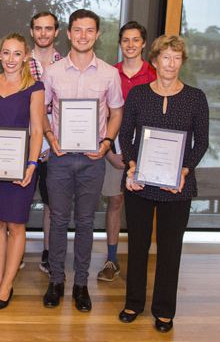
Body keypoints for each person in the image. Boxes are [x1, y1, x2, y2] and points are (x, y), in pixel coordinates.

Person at [118, 35, 208, 333]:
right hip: (140, 183)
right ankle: (133, 303)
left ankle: (165, 310)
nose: (170, 63)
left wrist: (183, 171)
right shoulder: (138, 94)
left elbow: (202, 142)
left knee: (170, 249)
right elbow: (125, 135)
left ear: (182, 62)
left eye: (176, 58)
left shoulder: (196, 98)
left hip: (176, 185)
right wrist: (131, 166)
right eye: (165, 57)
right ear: (154, 61)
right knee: (138, 246)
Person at [42, 9, 124, 312]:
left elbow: (116, 112)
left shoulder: (108, 73)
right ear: (68, 33)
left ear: (98, 34)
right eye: (78, 30)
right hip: (61, 159)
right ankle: (55, 281)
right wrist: (50, 138)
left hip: (93, 160)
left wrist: (105, 143)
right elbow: (41, 110)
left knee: (87, 223)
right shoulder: (53, 72)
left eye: (89, 30)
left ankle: (80, 285)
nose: (83, 36)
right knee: (60, 221)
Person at [0, 33, 44, 310]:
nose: (11, 59)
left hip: (21, 165)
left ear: (26, 56)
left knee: (15, 224)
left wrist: (32, 164)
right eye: (6, 53)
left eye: (17, 53)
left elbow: (37, 130)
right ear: (0, 55)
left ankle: (7, 284)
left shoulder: (34, 88)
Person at [97, 21, 156, 282]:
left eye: (135, 40)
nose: (130, 45)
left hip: (146, 151)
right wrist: (108, 149)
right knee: (115, 201)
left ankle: (139, 260)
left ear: (143, 43)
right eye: (125, 40)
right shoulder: (110, 73)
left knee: (141, 206)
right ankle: (111, 259)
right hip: (115, 148)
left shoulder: (154, 74)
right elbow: (101, 115)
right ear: (119, 44)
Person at [28, 11, 62, 274]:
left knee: (53, 204)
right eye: (38, 28)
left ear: (57, 32)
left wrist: (53, 143)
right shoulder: (17, 60)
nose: (43, 33)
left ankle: (49, 254)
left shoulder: (65, 64)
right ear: (31, 31)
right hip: (24, 142)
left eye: (48, 29)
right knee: (18, 199)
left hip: (55, 145)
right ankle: (13, 254)